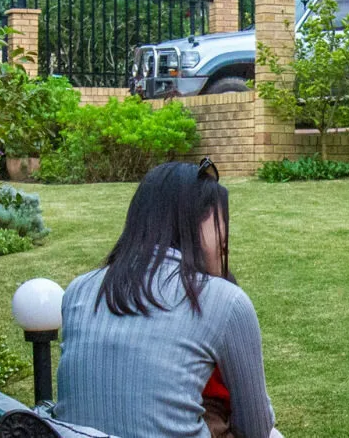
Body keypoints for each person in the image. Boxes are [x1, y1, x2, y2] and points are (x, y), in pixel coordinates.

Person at [56, 160, 276, 438]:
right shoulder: (224, 301)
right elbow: (256, 428)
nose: (225, 236)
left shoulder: (78, 289)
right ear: (189, 219)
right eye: (218, 219)